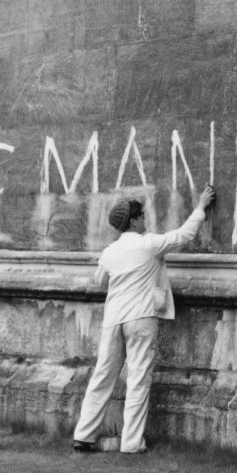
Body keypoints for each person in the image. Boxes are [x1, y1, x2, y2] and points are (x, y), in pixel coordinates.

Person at [73, 187, 216, 454]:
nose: (144, 219)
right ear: (133, 221)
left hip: (114, 318)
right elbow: (184, 235)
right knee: (138, 379)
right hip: (140, 317)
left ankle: (83, 435)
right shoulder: (148, 244)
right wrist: (200, 207)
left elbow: (100, 281)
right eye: (141, 216)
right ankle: (131, 443)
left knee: (103, 375)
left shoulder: (110, 252)